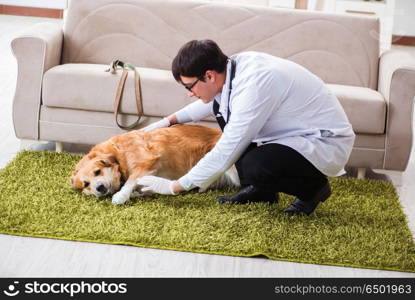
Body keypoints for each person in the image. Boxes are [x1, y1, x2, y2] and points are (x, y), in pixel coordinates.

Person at [136, 39, 355, 215]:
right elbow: (216, 101)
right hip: (292, 134)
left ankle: (314, 189)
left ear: (209, 75)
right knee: (227, 121)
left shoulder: (255, 83)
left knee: (255, 165)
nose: (189, 93)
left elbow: (228, 149)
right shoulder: (232, 68)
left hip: (323, 141)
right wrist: (167, 121)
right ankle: (263, 192)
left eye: (189, 87)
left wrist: (174, 187)